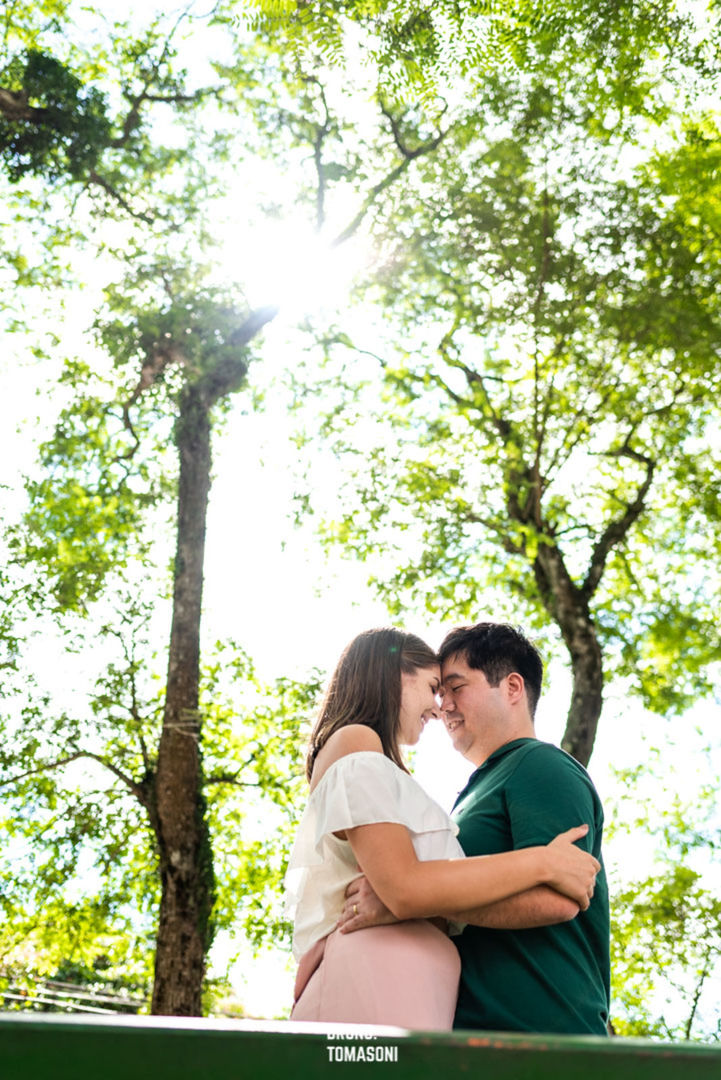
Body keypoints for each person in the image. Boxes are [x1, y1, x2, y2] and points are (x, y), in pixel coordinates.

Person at [285, 626, 601, 1030]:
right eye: (436, 688)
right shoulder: (364, 746)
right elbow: (406, 887)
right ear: (393, 674)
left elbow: (558, 898)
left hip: (530, 1028)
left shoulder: (540, 764)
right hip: (415, 1004)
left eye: (453, 687)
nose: (441, 707)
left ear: (513, 687)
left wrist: (413, 899)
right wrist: (409, 897)